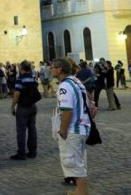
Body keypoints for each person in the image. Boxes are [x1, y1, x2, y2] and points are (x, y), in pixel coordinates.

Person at [51, 57, 91, 195]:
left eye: (52, 67)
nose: (51, 70)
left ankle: (82, 193)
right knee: (78, 163)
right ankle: (79, 191)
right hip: (82, 127)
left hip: (72, 130)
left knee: (75, 166)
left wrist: (62, 130)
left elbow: (67, 110)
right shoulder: (76, 81)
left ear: (59, 69)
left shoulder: (65, 86)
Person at [10, 61, 39, 160]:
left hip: (23, 107)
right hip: (32, 106)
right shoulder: (33, 78)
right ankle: (32, 151)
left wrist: (12, 106)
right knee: (32, 129)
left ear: (21, 68)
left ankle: (21, 153)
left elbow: (17, 94)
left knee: (21, 130)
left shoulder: (20, 79)